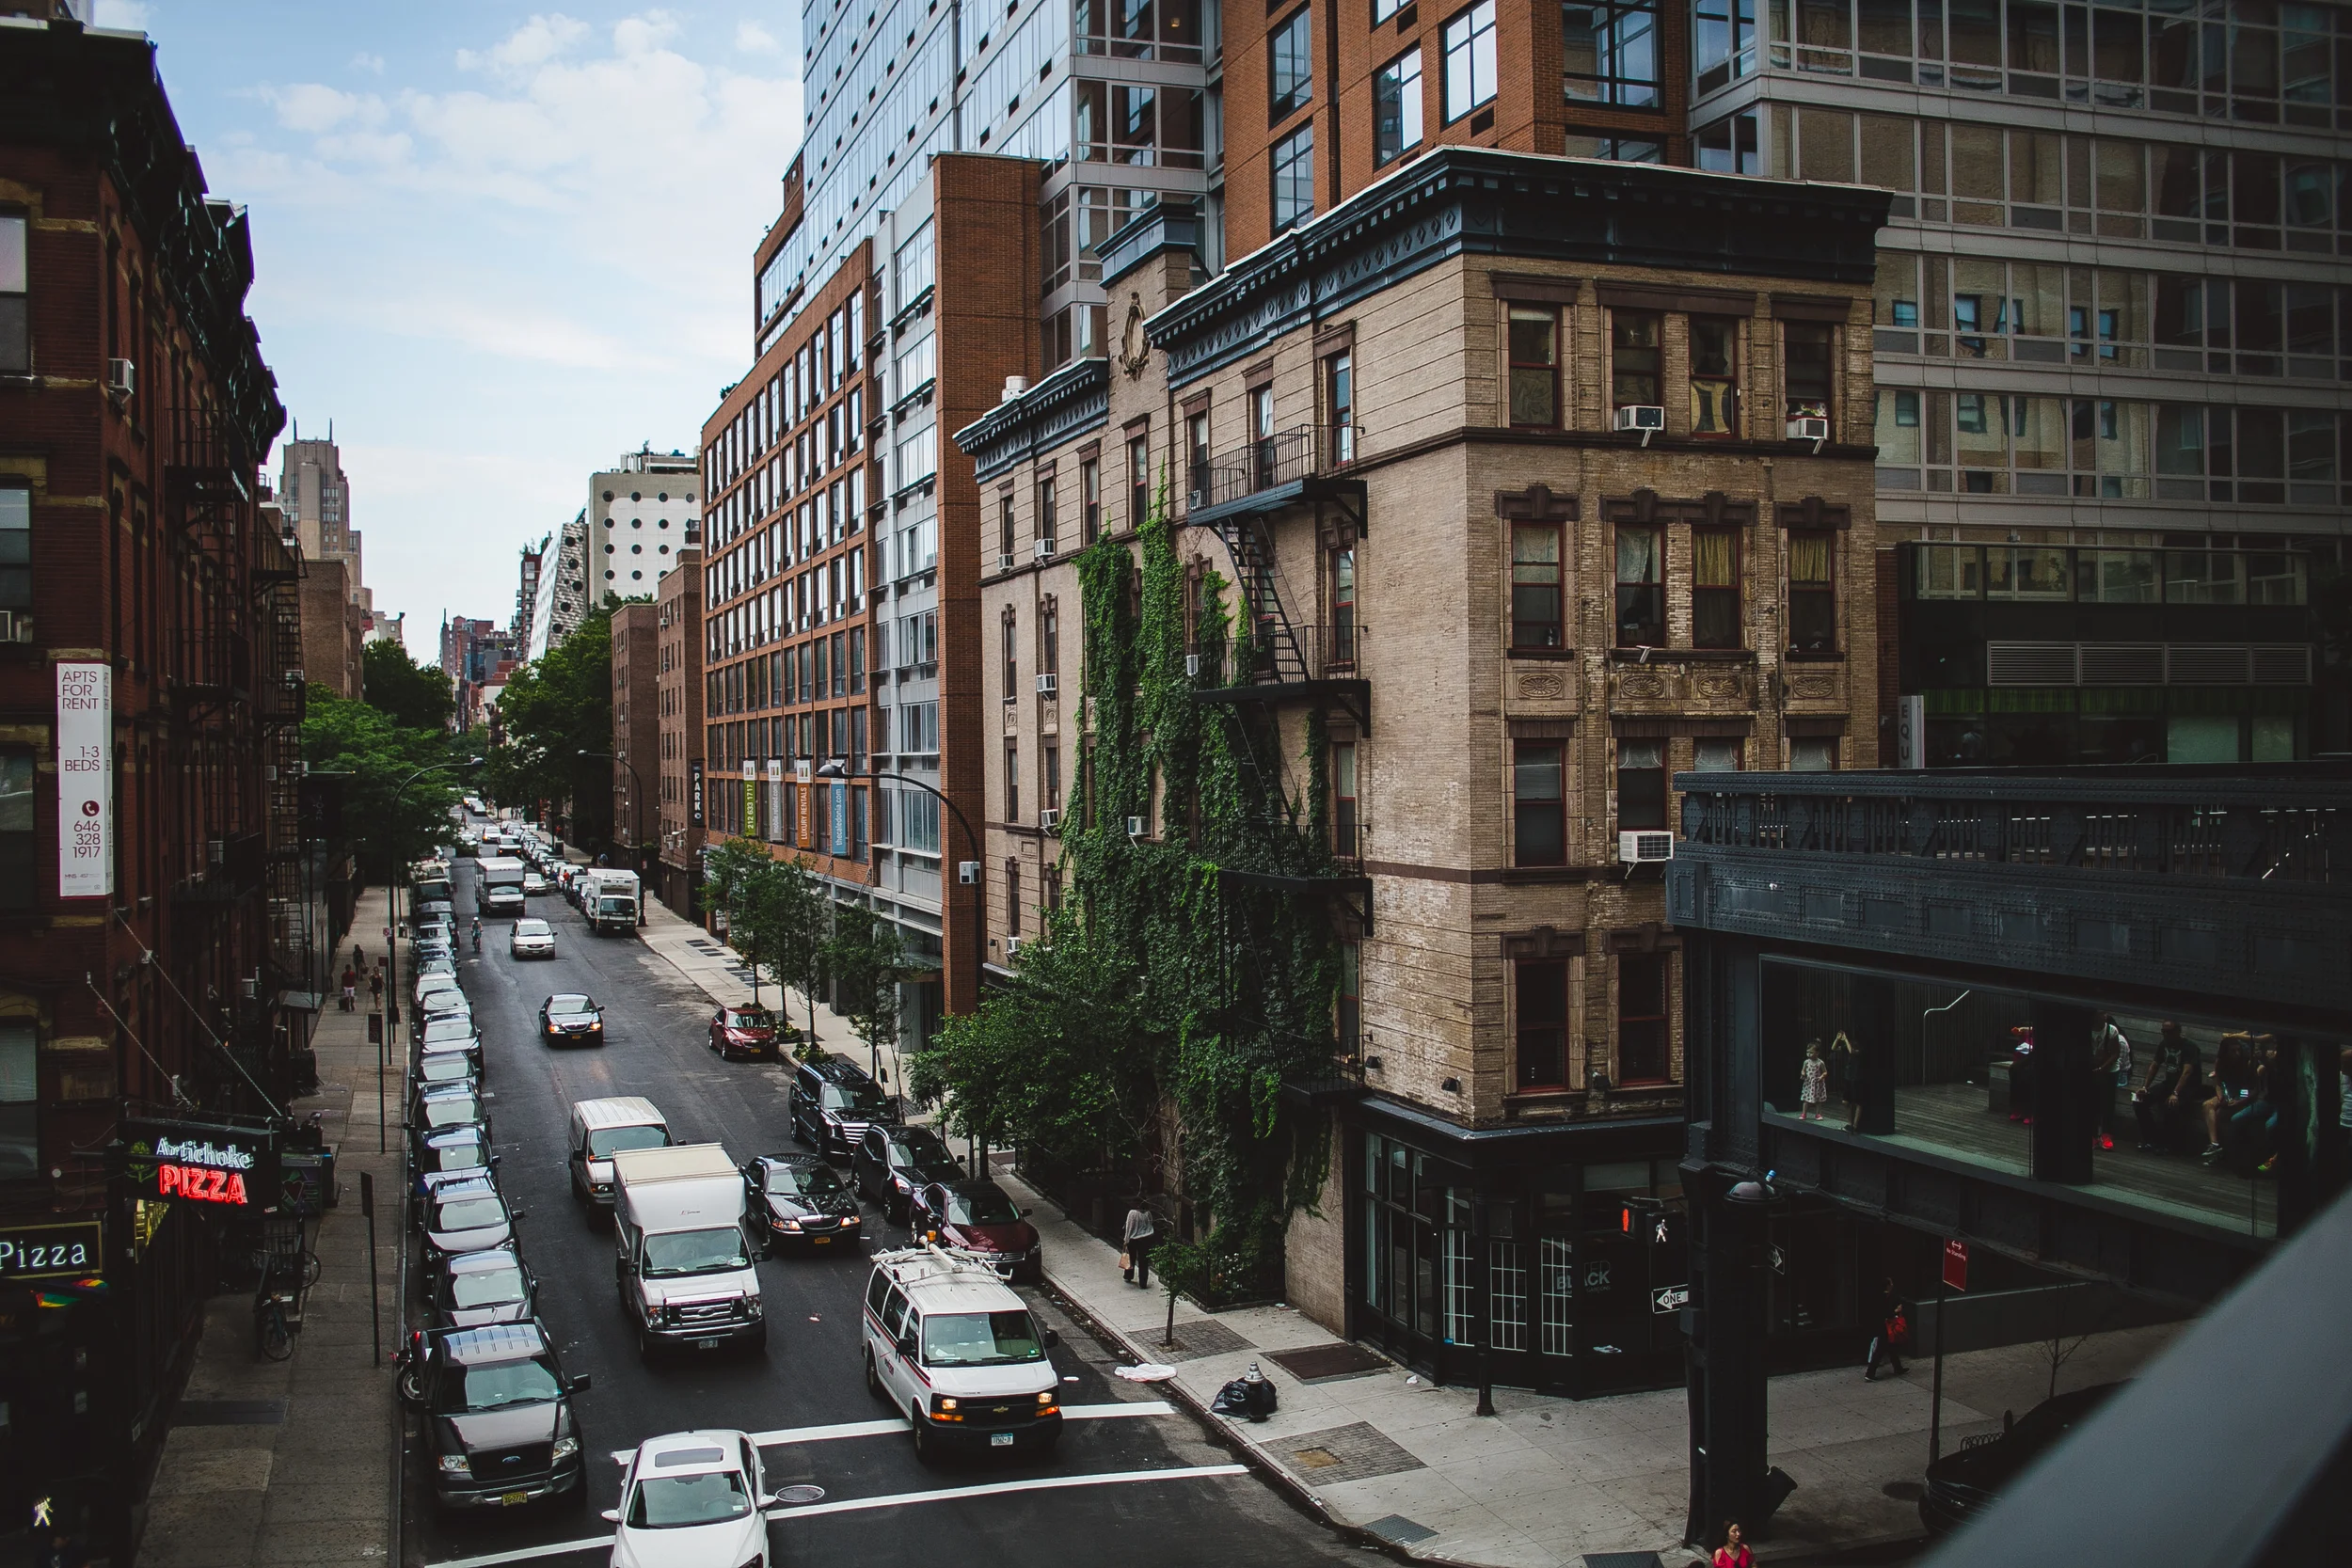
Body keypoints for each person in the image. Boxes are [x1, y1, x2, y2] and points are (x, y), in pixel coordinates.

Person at [2133, 1022, 2203, 1153]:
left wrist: (2175, 1093)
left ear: (2178, 1032)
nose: (2166, 1034)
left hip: (2188, 1087)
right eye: (2163, 1031)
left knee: (2170, 1105)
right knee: (2139, 1101)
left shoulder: (2189, 1047)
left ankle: (2166, 1144)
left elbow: (2187, 1072)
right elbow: (2154, 1065)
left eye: (2169, 1032)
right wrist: (2145, 1087)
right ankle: (2151, 1139)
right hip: (2169, 1083)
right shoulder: (2164, 1044)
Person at [2089, 1014, 2130, 1152]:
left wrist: (2102, 1068)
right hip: (2092, 1068)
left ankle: (2106, 1135)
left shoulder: (2111, 1031)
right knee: (2092, 1103)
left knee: (2108, 1103)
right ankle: (2093, 1135)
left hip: (2110, 1069)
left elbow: (2115, 1054)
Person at [1865, 1276, 1907, 1380]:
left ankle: (1898, 1368)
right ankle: (1870, 1374)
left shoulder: (1879, 1296)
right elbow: (1886, 1313)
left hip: (1881, 1325)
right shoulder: (1885, 1298)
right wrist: (1896, 1311)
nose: (1892, 1285)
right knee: (1880, 1350)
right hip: (1884, 1326)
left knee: (1891, 1347)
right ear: (1888, 1285)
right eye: (1891, 1283)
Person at [1121, 1202, 1158, 1289]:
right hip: (1146, 1238)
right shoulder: (1147, 1213)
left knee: (1131, 1258)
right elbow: (1150, 1223)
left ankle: (1129, 1275)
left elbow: (1129, 1227)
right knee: (1144, 1261)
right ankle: (1143, 1282)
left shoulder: (1132, 1213)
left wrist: (1126, 1240)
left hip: (1133, 1239)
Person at [1798, 1040, 1828, 1121]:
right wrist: (1803, 1073)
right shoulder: (1806, 1062)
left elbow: (1825, 1072)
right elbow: (1803, 1070)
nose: (1809, 1054)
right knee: (1806, 1100)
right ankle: (1804, 1113)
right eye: (1807, 1052)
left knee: (1818, 1100)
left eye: (1811, 1052)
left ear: (1817, 1053)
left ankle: (1818, 1114)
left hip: (1817, 1084)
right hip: (1808, 1083)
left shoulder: (1820, 1062)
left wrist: (1821, 1077)